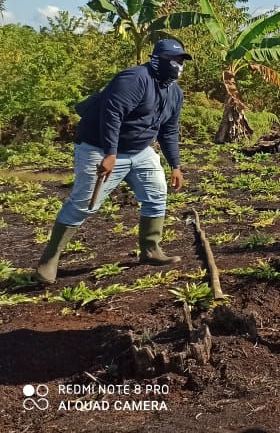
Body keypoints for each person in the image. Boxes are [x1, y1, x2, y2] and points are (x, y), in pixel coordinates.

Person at [36, 39, 191, 284]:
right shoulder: (134, 79)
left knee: (156, 195)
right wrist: (110, 154)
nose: (178, 65)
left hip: (140, 151)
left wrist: (176, 166)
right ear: (157, 59)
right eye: (173, 60)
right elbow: (111, 115)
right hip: (99, 147)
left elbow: (169, 130)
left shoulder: (174, 92)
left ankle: (151, 250)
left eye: (181, 61)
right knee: (86, 203)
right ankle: (50, 258)